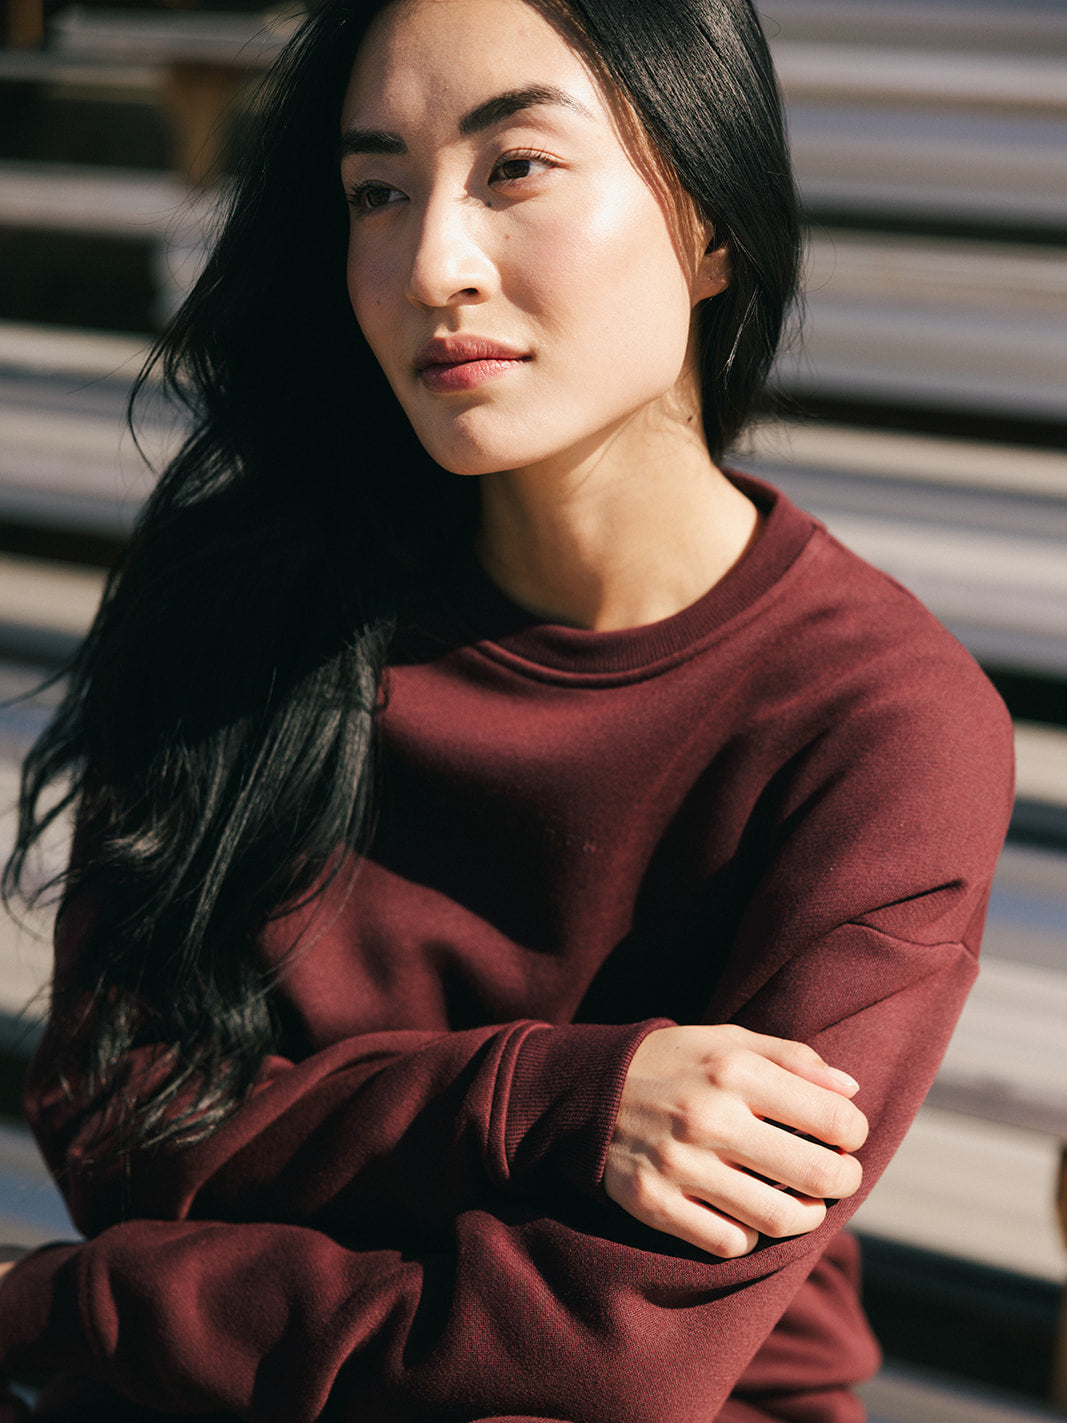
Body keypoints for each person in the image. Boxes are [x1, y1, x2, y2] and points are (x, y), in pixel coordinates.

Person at [0, 0, 1013, 1417]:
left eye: (516, 167)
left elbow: (615, 1354)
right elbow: (122, 1122)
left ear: (712, 221)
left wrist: (60, 1308)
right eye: (376, 191)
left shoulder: (884, 727)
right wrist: (562, 1101)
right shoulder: (246, 601)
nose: (433, 264)